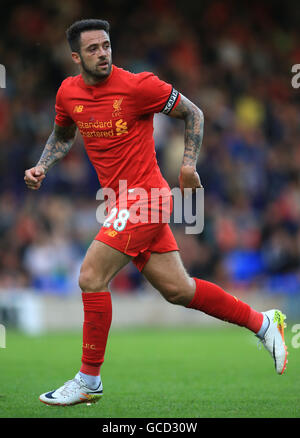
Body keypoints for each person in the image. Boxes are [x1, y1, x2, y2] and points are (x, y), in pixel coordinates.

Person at [24, 19, 288, 407]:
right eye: (93, 49)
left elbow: (193, 113)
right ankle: (263, 323)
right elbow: (64, 134)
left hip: (147, 197)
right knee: (179, 290)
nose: (103, 53)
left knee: (90, 275)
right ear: (76, 57)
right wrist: (43, 165)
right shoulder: (68, 93)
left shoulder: (138, 86)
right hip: (118, 202)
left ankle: (88, 380)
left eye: (106, 45)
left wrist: (187, 165)